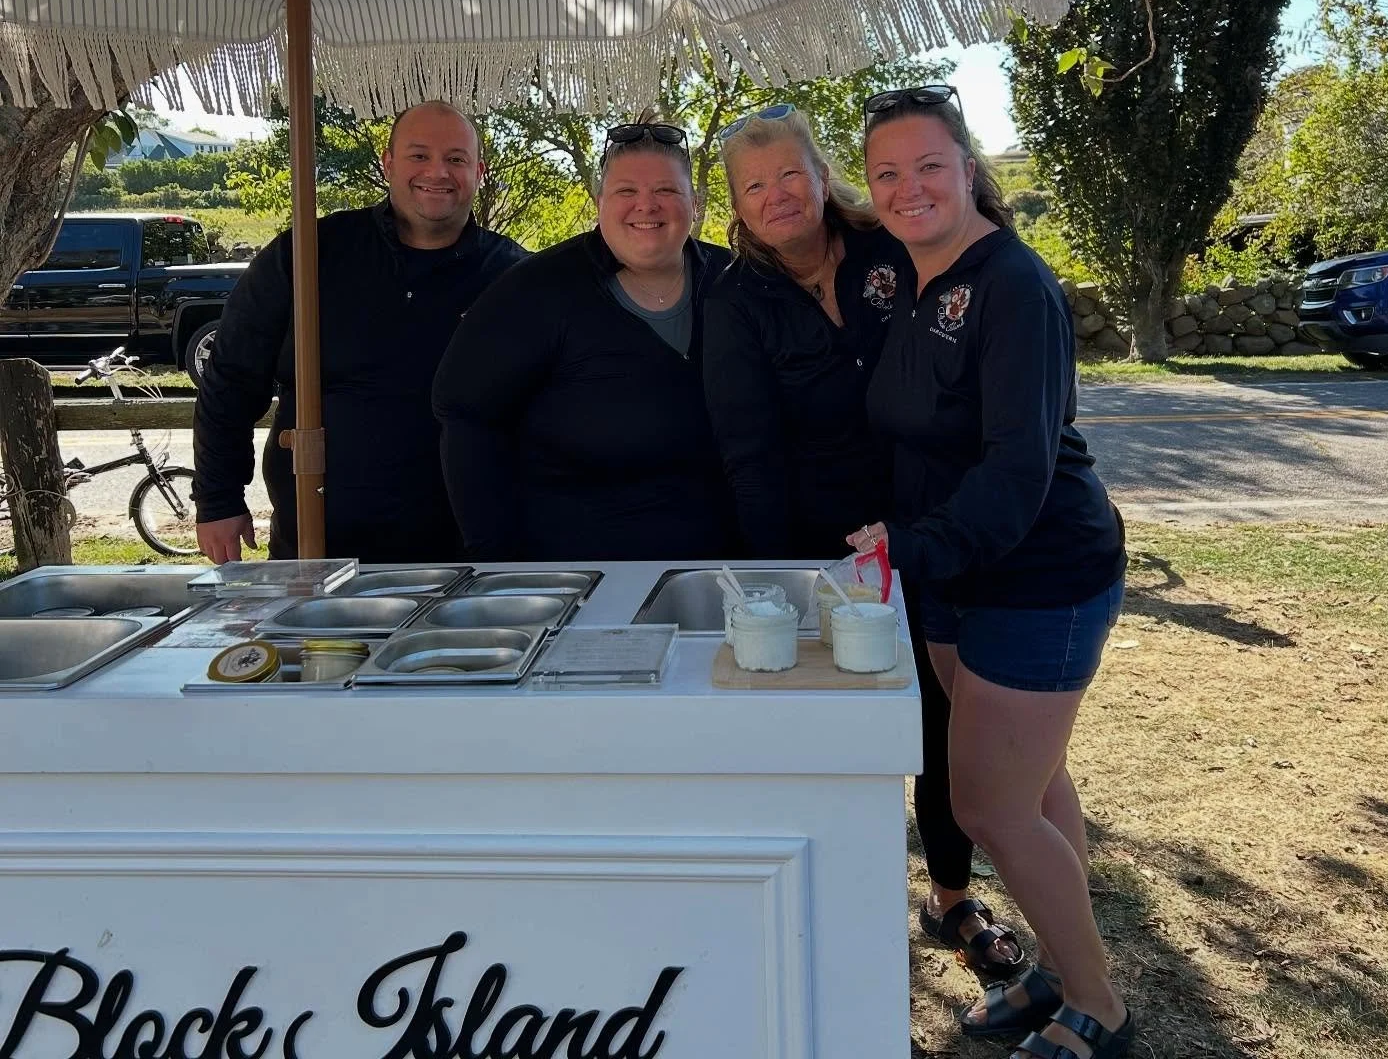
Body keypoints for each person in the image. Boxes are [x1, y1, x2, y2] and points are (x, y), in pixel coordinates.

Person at [703, 103, 1028, 986]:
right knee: (829, 724)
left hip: (932, 525)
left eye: (790, 174)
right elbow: (747, 448)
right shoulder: (737, 300)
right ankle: (826, 893)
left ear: (822, 173)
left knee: (940, 717)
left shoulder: (894, 247)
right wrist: (781, 580)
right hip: (816, 542)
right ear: (734, 200)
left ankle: (953, 896)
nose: (777, 196)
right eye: (754, 184)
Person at [848, 83, 1131, 1059]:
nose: (908, 184)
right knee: (1037, 783)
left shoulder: (1013, 283)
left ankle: (1099, 1006)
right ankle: (1058, 968)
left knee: (992, 804)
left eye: (929, 163)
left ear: (968, 166)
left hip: (1040, 569)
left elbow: (1017, 469)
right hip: (955, 572)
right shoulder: (910, 277)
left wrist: (904, 549)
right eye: (887, 171)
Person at [193, 101, 525, 564]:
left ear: (479, 171)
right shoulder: (309, 255)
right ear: (387, 163)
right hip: (317, 548)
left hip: (469, 553)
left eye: (456, 158)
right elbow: (230, 377)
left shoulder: (514, 276)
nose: (438, 172)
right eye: (418, 155)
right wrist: (218, 499)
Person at [433, 120, 734, 562]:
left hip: (723, 572)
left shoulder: (734, 282)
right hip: (579, 579)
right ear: (599, 203)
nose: (646, 206)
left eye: (667, 191)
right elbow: (464, 414)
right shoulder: (537, 289)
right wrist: (497, 564)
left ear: (695, 202)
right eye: (626, 191)